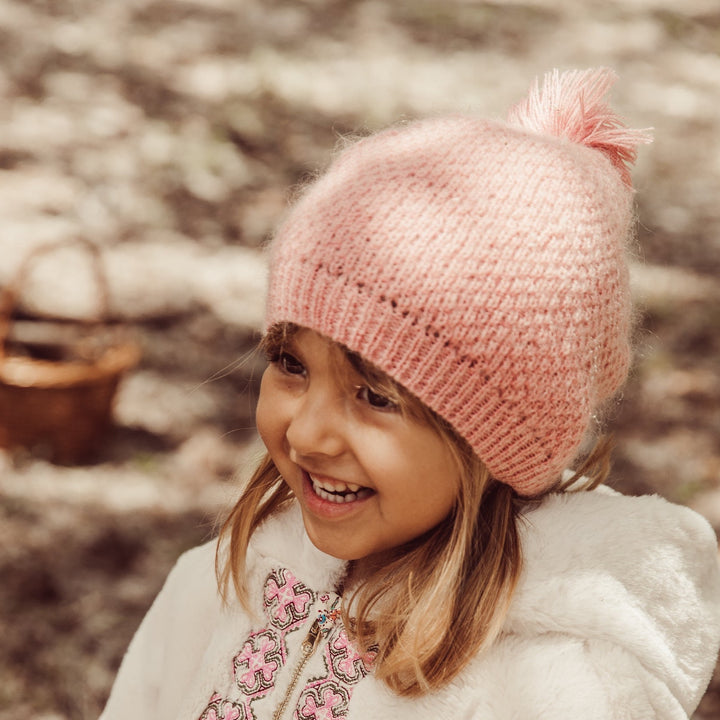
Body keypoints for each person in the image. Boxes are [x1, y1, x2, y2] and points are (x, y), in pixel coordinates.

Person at [100, 68, 720, 720]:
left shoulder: (550, 689)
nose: (307, 433)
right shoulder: (222, 586)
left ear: (493, 439)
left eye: (375, 396)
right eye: (290, 362)